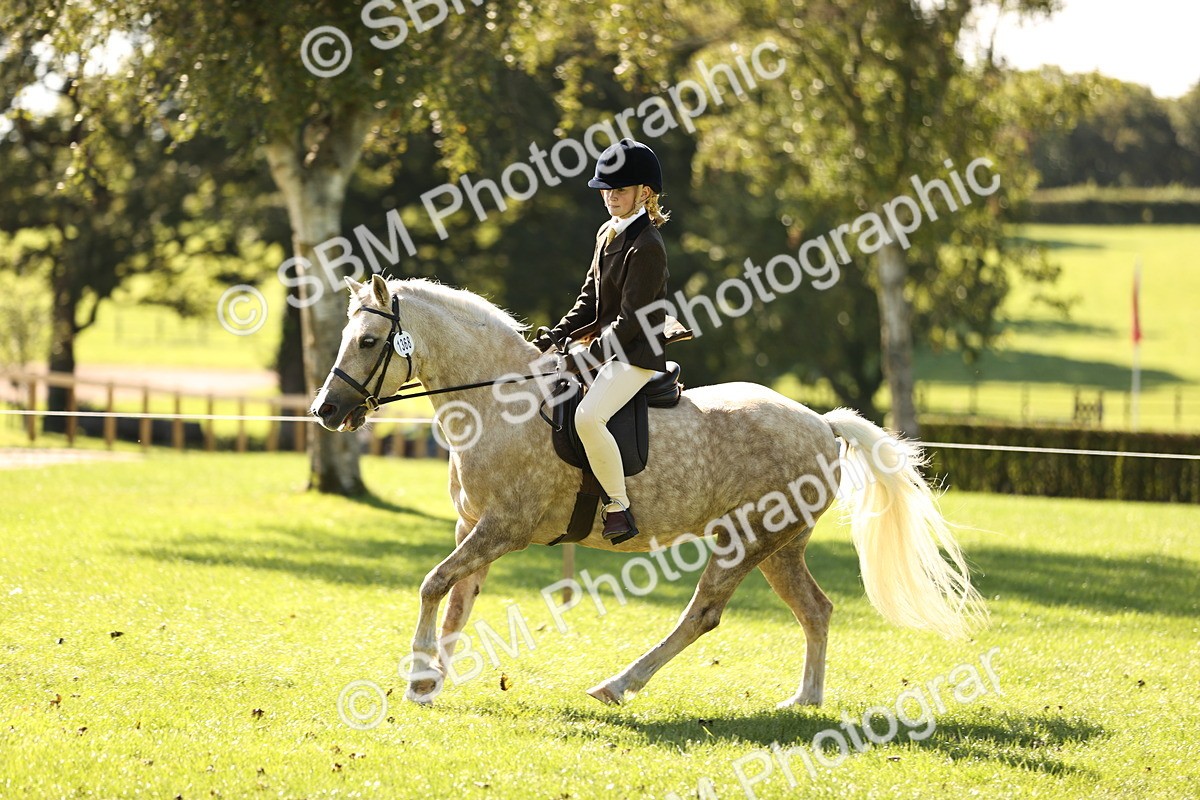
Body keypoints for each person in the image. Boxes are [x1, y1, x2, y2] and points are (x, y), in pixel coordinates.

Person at [533, 138, 678, 545]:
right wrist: (558, 334)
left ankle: (618, 506)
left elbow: (631, 322)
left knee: (587, 417)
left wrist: (584, 359)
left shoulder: (647, 246)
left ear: (644, 194)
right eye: (607, 190)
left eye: (620, 190)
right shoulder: (606, 233)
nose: (611, 197)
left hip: (634, 355)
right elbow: (589, 300)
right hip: (604, 348)